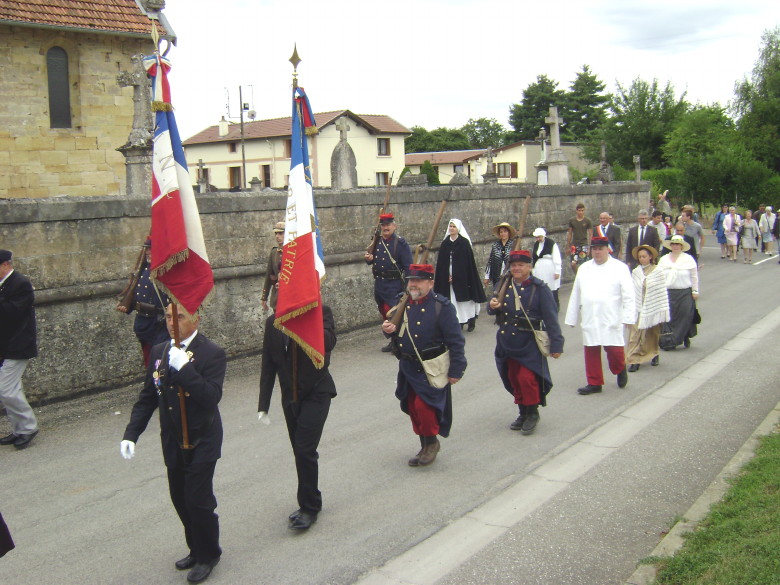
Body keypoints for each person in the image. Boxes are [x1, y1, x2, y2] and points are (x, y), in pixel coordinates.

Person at [121, 304, 226, 584]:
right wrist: (131, 434)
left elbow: (210, 397)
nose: (171, 322)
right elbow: (147, 398)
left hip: (203, 437)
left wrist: (186, 370)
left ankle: (209, 554)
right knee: (180, 499)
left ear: (196, 319)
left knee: (198, 501)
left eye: (178, 316)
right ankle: (195, 547)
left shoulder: (211, 353)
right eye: (168, 316)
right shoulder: (159, 351)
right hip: (173, 439)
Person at [258, 306, 337, 531]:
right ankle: (309, 499)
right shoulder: (273, 323)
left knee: (304, 449)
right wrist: (263, 404)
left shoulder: (321, 313)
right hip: (290, 396)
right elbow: (268, 364)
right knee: (299, 451)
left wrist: (303, 322)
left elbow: (328, 343)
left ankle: (309, 507)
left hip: (317, 392)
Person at [382, 264, 466, 467]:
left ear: (430, 282)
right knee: (413, 407)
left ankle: (432, 443)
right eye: (411, 280)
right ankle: (424, 444)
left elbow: (456, 341)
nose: (413, 285)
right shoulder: (403, 304)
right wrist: (387, 329)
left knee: (425, 407)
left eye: (418, 281)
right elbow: (393, 330)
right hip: (408, 366)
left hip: (431, 367)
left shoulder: (441, 306)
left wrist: (456, 370)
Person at [487, 250, 563, 434]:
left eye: (521, 265)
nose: (516, 268)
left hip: (529, 342)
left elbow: (551, 319)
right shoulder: (505, 284)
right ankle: (522, 411)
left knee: (527, 378)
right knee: (513, 378)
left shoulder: (540, 288)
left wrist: (556, 344)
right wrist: (492, 305)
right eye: (513, 265)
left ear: (529, 267)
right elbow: (493, 308)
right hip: (507, 341)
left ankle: (532, 412)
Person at [564, 236, 635, 395]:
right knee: (591, 349)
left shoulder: (620, 268)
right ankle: (594, 382)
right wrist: (571, 317)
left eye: (600, 249)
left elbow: (629, 294)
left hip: (611, 316)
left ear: (607, 249)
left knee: (615, 350)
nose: (597, 252)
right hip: (591, 316)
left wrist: (629, 317)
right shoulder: (584, 268)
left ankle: (620, 368)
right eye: (594, 249)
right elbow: (576, 293)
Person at [0, 250, 40, 450]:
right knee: (11, 389)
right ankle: (19, 429)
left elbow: (13, 312)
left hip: (19, 344)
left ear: (5, 265)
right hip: (6, 345)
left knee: (5, 389)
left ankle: (29, 426)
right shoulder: (5, 285)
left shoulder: (20, 283)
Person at [116, 237, 170, 368]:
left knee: (159, 360)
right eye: (147, 249)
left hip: (159, 322)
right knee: (148, 359)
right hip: (143, 323)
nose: (148, 252)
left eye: (151, 249)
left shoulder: (165, 271)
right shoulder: (144, 270)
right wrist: (128, 306)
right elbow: (138, 293)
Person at [364, 213, 413, 352]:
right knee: (384, 313)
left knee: (394, 314)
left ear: (394, 226)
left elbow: (408, 266)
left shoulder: (400, 243)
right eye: (383, 225)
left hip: (394, 285)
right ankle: (393, 339)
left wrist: (409, 285)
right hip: (379, 284)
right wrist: (368, 259)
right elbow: (372, 260)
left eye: (388, 225)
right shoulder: (377, 241)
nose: (386, 228)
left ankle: (400, 341)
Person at [434, 219, 487, 332]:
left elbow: (467, 264)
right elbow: (441, 264)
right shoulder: (445, 243)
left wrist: (457, 276)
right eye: (450, 226)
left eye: (453, 226)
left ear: (458, 228)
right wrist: (445, 276)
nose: (451, 228)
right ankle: (458, 320)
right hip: (448, 278)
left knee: (464, 301)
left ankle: (470, 320)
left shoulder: (464, 243)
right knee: (453, 300)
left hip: (463, 279)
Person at [626, 245, 669, 372]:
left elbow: (661, 291)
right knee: (635, 334)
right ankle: (634, 359)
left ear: (650, 257)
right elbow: (632, 290)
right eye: (640, 257)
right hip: (638, 307)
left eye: (644, 256)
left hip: (652, 307)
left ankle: (654, 354)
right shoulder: (636, 272)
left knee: (651, 334)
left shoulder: (658, 271)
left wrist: (660, 308)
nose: (642, 259)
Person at [658, 235, 698, 350]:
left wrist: (695, 291)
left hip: (684, 292)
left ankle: (683, 336)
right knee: (670, 317)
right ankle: (671, 340)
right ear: (670, 246)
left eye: (678, 244)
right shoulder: (664, 259)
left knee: (684, 315)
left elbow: (694, 276)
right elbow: (659, 276)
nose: (675, 246)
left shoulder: (688, 259)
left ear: (681, 246)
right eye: (673, 244)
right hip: (668, 292)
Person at [531, 227, 562, 310]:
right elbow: (534, 257)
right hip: (539, 269)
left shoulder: (551, 243)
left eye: (539, 237)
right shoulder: (536, 245)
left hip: (549, 269)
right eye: (537, 237)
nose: (538, 239)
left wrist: (557, 271)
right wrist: (533, 269)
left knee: (552, 288)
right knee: (540, 288)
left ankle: (555, 306)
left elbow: (557, 258)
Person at [261, 221, 285, 312]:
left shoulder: (295, 252)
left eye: (280, 233)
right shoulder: (274, 252)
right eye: (276, 233)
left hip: (291, 296)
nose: (277, 236)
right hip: (277, 297)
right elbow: (269, 276)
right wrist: (264, 297)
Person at [484, 222, 516, 286]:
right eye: (501, 232)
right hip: (497, 275)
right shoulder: (495, 245)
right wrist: (486, 277)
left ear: (508, 233)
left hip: (511, 275)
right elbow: (491, 261)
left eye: (505, 231)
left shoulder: (514, 245)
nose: (503, 234)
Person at [566, 203, 593, 275]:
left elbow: (590, 234)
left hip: (584, 245)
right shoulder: (572, 220)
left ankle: (583, 277)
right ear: (576, 211)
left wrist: (589, 247)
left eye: (582, 210)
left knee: (583, 264)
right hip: (574, 245)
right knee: (573, 264)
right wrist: (568, 246)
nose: (581, 212)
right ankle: (578, 276)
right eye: (579, 210)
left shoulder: (587, 221)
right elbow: (570, 233)